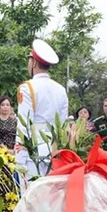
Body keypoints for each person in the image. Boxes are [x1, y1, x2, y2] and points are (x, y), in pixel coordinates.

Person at [15, 39, 69, 177]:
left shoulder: (27, 87)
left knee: (31, 195)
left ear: (33, 62)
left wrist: (20, 151)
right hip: (54, 150)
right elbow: (62, 124)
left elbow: (24, 123)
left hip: (32, 152)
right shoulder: (61, 89)